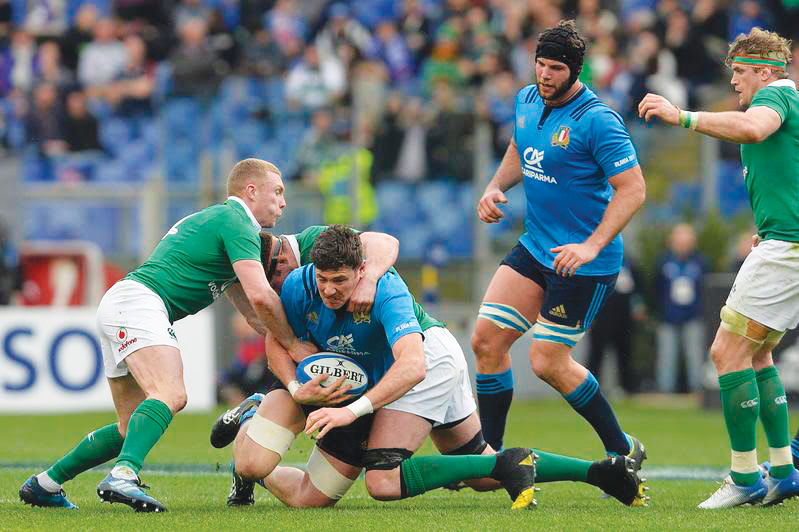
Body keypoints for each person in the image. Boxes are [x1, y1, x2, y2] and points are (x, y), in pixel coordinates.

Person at [210, 225, 647, 510]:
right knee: (476, 473)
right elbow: (275, 342)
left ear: (361, 270)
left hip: (426, 364)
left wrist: (351, 411)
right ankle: (600, 472)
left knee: (382, 481)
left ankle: (508, 464)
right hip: (381, 378)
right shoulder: (300, 287)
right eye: (322, 278)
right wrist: (291, 384)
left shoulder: (385, 292)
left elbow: (412, 366)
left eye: (339, 280)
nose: (328, 289)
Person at [18, 158, 310, 512]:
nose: (283, 202)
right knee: (170, 393)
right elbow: (263, 297)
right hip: (140, 303)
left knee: (130, 427)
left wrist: (286, 342)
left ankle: (45, 484)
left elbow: (252, 313)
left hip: (123, 301)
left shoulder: (221, 221)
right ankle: (124, 475)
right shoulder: (238, 222)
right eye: (277, 192)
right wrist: (297, 345)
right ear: (251, 191)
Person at [471, 20, 647, 468]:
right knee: (486, 342)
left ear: (575, 72)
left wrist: (590, 245)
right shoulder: (527, 99)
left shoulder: (598, 120)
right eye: (540, 65)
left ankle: (623, 449)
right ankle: (488, 460)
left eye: (555, 68)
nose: (545, 75)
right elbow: (519, 144)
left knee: (547, 361)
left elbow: (633, 189)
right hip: (537, 246)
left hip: (585, 262)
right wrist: (496, 186)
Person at [639, 26, 799, 508]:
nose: (735, 83)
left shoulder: (776, 98)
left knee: (726, 353)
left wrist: (680, 115)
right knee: (757, 353)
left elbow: (753, 128)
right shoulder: (783, 99)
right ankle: (785, 471)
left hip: (785, 250)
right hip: (783, 241)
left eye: (742, 72)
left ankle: (744, 478)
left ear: (767, 72)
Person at [654, 224, 708, 393]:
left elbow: (705, 289)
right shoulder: (663, 262)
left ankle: (697, 390)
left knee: (695, 354)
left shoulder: (701, 262)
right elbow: (655, 289)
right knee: (667, 356)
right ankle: (665, 390)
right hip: (668, 317)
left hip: (693, 316)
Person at [586, 256, 646, 395]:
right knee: (596, 352)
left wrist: (638, 306)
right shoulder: (597, 261)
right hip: (601, 313)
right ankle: (590, 387)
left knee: (625, 352)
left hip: (624, 315)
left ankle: (627, 388)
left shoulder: (630, 263)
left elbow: (638, 288)